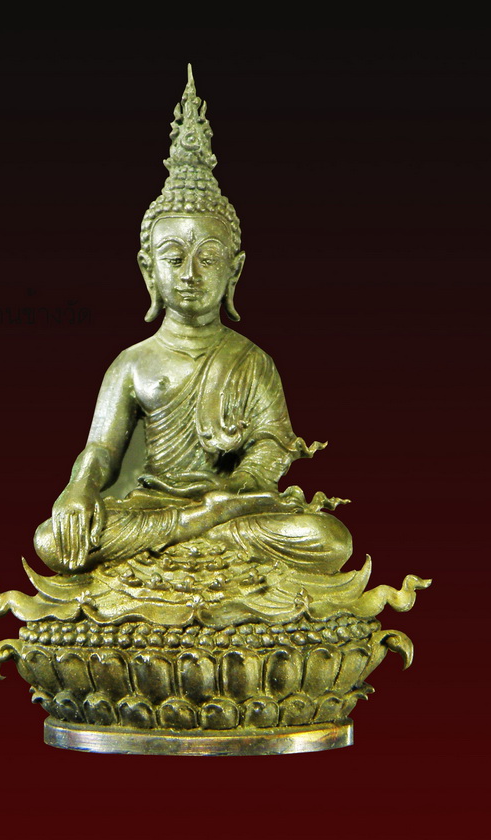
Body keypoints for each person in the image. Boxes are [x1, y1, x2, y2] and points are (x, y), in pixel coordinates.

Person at [33, 67, 352, 580]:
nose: (189, 275)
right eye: (174, 258)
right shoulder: (132, 363)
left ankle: (192, 533)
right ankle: (195, 528)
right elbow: (102, 451)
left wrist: (235, 490)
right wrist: (78, 489)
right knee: (53, 539)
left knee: (329, 539)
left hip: (232, 507)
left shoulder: (252, 360)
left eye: (208, 258)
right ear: (148, 270)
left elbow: (270, 448)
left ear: (234, 270)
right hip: (155, 508)